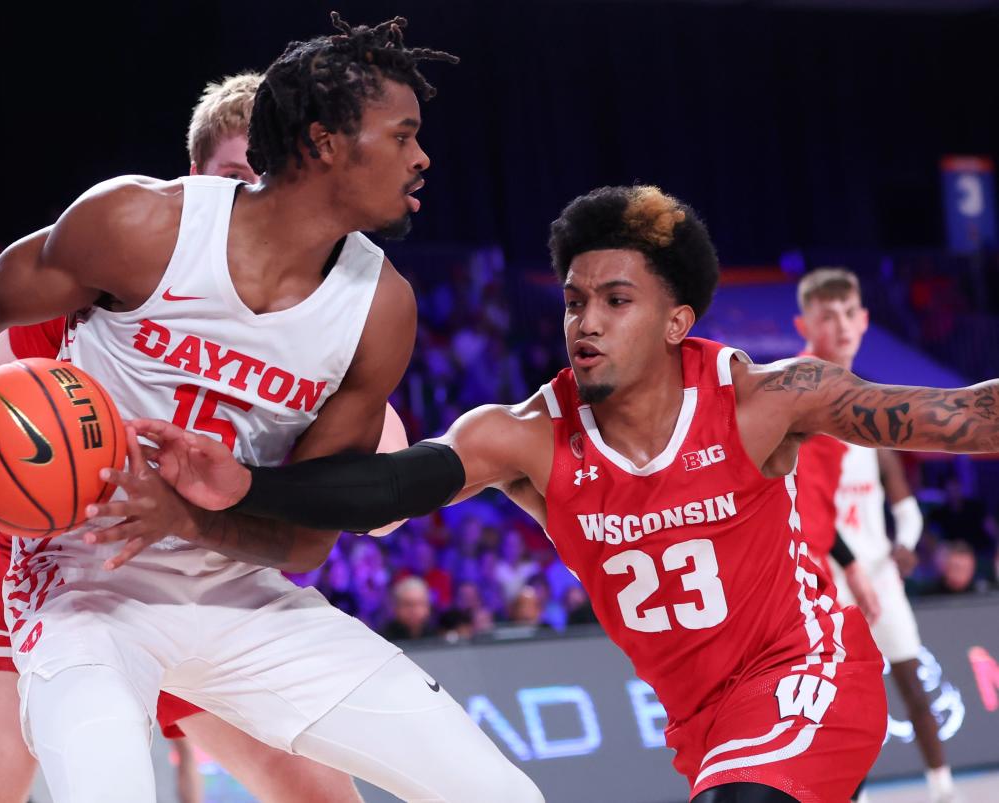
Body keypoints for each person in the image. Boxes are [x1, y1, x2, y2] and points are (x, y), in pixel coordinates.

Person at [136, 185, 999, 802]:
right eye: (574, 298)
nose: (584, 319)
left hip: (808, 672)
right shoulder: (523, 434)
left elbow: (965, 416)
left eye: (615, 300)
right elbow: (390, 485)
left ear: (676, 321)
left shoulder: (763, 399)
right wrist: (248, 483)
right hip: (703, 723)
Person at [0, 14, 539, 803]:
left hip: (245, 594)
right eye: (403, 133)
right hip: (84, 585)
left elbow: (306, 543)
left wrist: (190, 517)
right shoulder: (141, 224)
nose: (423, 157)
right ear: (325, 143)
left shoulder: (380, 307)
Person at [0, 72, 370, 802]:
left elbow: (372, 429)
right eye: (234, 175)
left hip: (194, 577)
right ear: (195, 177)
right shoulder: (119, 268)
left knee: (326, 796)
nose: (249, 197)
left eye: (265, 178)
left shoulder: (310, 307)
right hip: (54, 567)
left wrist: (379, 493)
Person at [792, 267, 957, 803]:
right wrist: (850, 564)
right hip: (826, 576)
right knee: (842, 703)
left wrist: (904, 547)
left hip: (877, 571)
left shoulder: (869, 412)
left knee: (910, 679)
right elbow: (799, 506)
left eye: (847, 314)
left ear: (864, 322)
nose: (839, 325)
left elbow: (904, 506)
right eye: (826, 316)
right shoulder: (798, 398)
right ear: (804, 324)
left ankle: (943, 787)